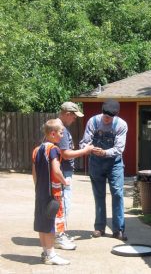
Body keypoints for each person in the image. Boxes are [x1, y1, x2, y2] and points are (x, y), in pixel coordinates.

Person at [80, 99, 128, 240]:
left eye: (110, 118)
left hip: (115, 164)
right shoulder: (93, 122)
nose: (107, 120)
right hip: (96, 162)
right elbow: (85, 141)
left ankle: (118, 229)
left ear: (115, 116)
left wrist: (105, 152)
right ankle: (99, 227)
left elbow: (119, 148)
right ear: (102, 112)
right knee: (99, 194)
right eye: (105, 117)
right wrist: (89, 148)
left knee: (118, 194)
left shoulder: (121, 125)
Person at [55, 102, 94, 250]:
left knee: (61, 205)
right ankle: (59, 237)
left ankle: (60, 234)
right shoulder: (61, 130)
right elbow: (65, 154)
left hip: (61, 172)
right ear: (67, 114)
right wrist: (85, 151)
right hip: (63, 172)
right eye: (74, 116)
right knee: (63, 205)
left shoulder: (56, 127)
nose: (75, 119)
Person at [32, 119, 70, 265]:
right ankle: (52, 255)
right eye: (61, 132)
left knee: (42, 223)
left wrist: (38, 189)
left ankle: (46, 253)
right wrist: (64, 181)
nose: (62, 135)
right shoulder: (53, 149)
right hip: (51, 194)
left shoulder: (37, 150)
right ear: (52, 133)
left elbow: (34, 175)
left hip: (40, 193)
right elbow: (56, 170)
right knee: (51, 225)